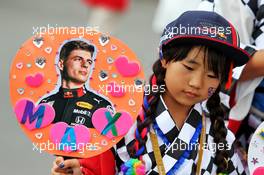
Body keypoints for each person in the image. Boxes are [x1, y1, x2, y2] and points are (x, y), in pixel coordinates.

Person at [51, 11, 250, 175]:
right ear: (164, 58)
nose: (196, 82)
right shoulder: (119, 124)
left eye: (212, 75)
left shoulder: (222, 140)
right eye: (189, 67)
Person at [40, 40, 114, 128]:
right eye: (78, 59)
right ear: (61, 64)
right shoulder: (46, 104)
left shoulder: (102, 106)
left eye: (89, 62)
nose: (85, 65)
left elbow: (109, 139)